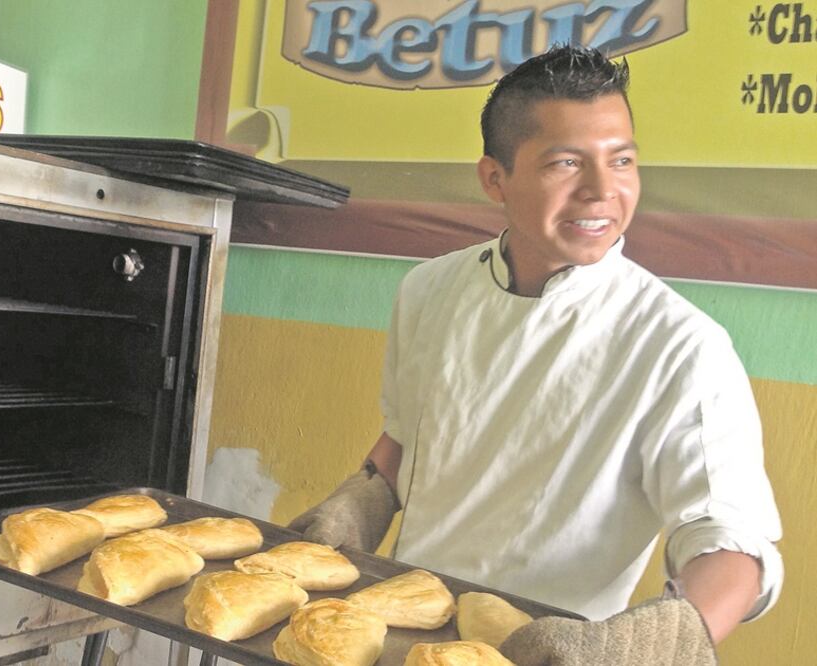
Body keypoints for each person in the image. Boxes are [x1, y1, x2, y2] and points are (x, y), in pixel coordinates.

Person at [289, 45, 782, 662]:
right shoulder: (429, 290)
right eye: (567, 163)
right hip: (398, 634)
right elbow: (407, 435)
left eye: (622, 160)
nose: (603, 191)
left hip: (551, 653)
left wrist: (650, 643)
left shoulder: (678, 345)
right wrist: (362, 499)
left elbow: (733, 545)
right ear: (495, 178)